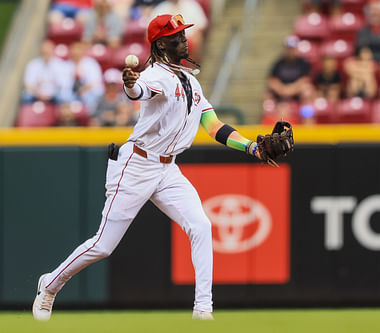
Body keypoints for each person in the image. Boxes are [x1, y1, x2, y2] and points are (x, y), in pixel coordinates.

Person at [32, 13, 273, 322]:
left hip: (167, 169)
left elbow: (213, 126)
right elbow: (139, 91)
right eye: (177, 37)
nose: (185, 40)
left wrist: (252, 147)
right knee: (104, 245)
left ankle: (203, 311)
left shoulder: (192, 82)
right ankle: (50, 284)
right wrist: (131, 85)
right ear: (161, 45)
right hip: (137, 164)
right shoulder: (154, 76)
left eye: (184, 35)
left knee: (200, 226)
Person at [22, 40, 70, 105]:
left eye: (48, 52)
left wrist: (50, 95)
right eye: (44, 53)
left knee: (65, 97)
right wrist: (38, 94)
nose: (46, 55)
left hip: (55, 95)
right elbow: (28, 84)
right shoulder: (33, 64)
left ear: (53, 51)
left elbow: (64, 85)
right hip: (37, 94)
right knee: (26, 96)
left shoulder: (60, 65)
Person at [266, 35, 311, 102]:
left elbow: (305, 80)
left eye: (292, 48)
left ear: (296, 48)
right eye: (288, 48)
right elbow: (272, 80)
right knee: (266, 95)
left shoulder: (303, 63)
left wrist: (291, 90)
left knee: (307, 90)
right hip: (281, 91)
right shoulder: (278, 62)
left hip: (297, 91)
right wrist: (282, 89)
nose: (290, 51)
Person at [66, 42, 105, 116]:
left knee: (91, 97)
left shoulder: (90, 63)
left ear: (82, 52)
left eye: (78, 50)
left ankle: (91, 116)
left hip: (89, 92)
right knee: (64, 96)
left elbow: (95, 82)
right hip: (73, 93)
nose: (76, 53)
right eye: (74, 51)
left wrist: (84, 89)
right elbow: (64, 84)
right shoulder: (67, 65)